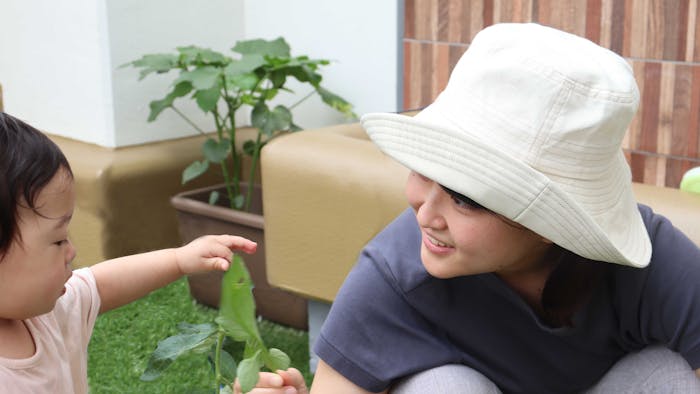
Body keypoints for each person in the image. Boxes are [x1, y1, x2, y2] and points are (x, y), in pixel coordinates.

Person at [237, 23, 700, 394]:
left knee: (669, 375)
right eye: (424, 171)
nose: (425, 214)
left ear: (550, 225)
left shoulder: (650, 265)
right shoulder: (395, 279)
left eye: (464, 198)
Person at [0, 111, 258, 393]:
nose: (72, 250)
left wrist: (178, 260)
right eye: (58, 240)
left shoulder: (44, 315)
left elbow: (99, 284)